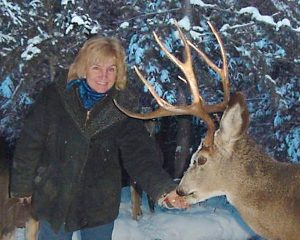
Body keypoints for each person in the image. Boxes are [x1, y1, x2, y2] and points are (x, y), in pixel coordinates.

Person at [10, 36, 188, 240]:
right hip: (55, 197)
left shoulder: (123, 107)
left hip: (99, 204)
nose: (104, 76)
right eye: (97, 67)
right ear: (84, 67)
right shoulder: (55, 96)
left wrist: (163, 189)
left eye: (111, 69)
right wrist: (22, 188)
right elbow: (30, 142)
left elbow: (140, 155)